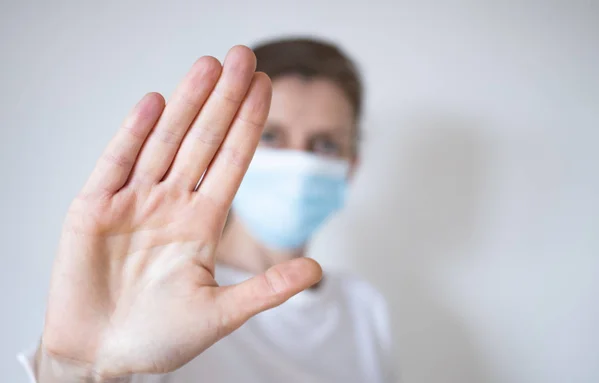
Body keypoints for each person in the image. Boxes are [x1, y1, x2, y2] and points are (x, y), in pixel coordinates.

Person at [19, 38, 395, 383]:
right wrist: (78, 369)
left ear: (351, 166)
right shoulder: (156, 290)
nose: (297, 161)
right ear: (229, 144)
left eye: (325, 145)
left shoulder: (363, 307)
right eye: (270, 136)